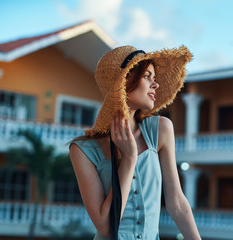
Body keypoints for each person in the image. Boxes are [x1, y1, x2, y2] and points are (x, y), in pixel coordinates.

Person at [69, 45, 201, 240]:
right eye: (147, 76)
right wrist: (129, 159)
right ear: (125, 80)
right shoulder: (83, 150)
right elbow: (105, 226)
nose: (154, 85)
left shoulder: (161, 129)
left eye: (154, 78)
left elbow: (177, 203)